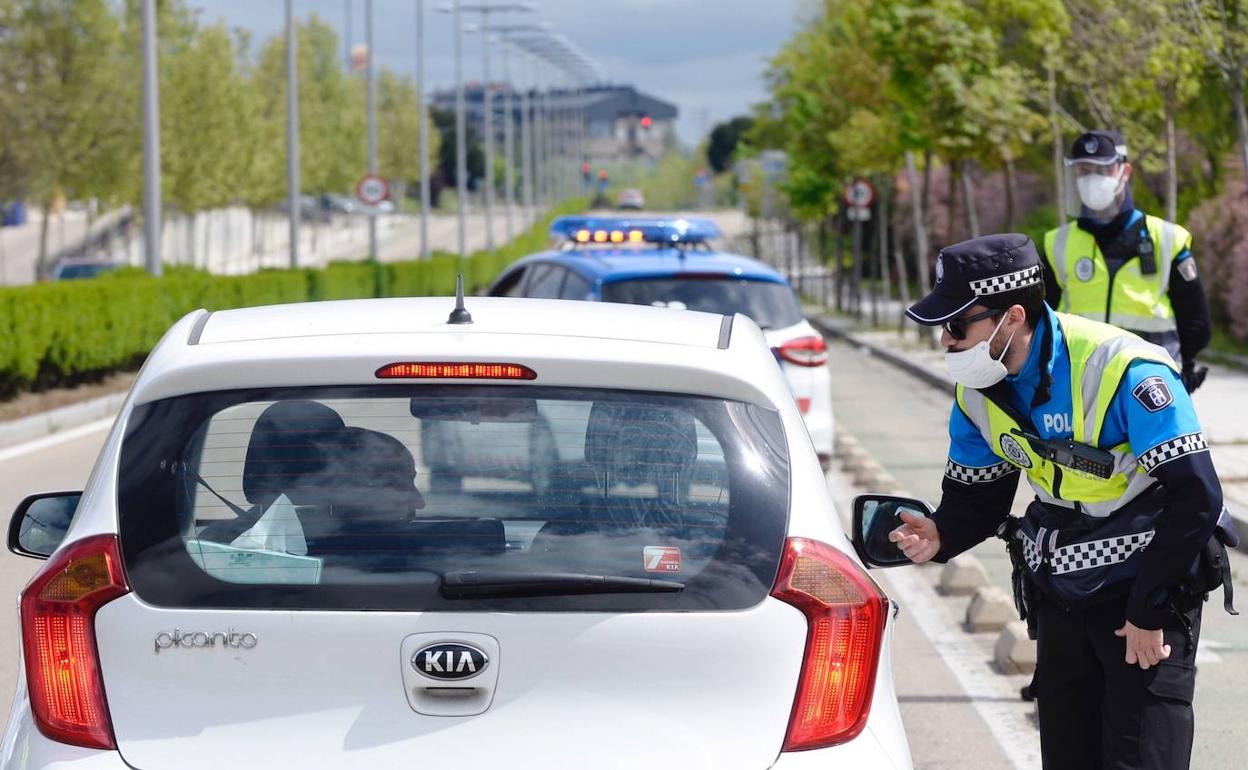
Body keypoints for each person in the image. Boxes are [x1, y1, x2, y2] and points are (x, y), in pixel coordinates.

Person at [893, 233, 1233, 769]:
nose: (946, 342)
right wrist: (941, 534)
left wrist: (1149, 611)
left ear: (1012, 318)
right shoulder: (976, 392)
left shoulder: (1124, 371)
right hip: (1062, 597)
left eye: (957, 326)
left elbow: (1197, 497)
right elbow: (977, 499)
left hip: (1143, 593)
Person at [1042, 130, 1212, 392]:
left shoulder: (1167, 239)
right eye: (1083, 171)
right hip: (1080, 388)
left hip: (1149, 385)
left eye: (1101, 170)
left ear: (1125, 172)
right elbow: (1041, 320)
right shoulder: (1057, 244)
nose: (1091, 179)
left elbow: (1196, 325)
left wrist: (1179, 369)